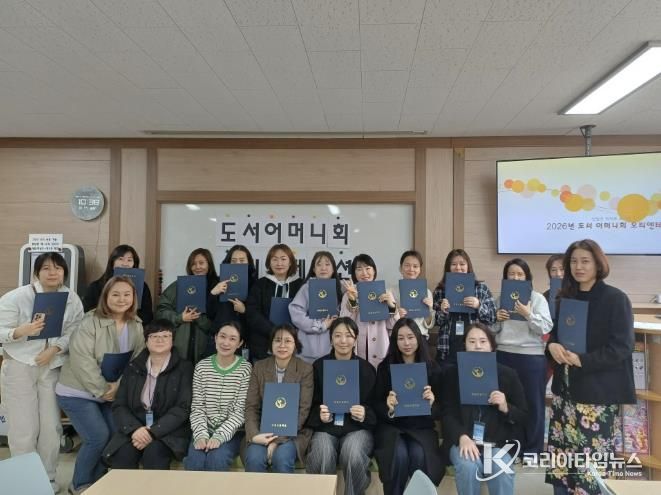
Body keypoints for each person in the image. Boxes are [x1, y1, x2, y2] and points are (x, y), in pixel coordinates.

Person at [545, 239, 635, 495]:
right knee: (562, 467)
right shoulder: (565, 296)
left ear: (598, 264)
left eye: (585, 261)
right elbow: (555, 335)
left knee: (589, 471)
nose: (578, 267)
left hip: (596, 397)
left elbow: (622, 347)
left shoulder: (615, 299)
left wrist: (583, 360)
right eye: (573, 261)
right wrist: (552, 346)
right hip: (565, 395)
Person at [0, 252, 84, 493]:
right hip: (20, 365)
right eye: (46, 268)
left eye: (58, 268)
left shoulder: (71, 298)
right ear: (36, 273)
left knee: (51, 427)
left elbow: (75, 330)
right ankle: (25, 483)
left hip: (51, 366)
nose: (52, 272)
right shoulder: (17, 297)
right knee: (23, 429)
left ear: (64, 272)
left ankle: (48, 478)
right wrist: (20, 331)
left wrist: (55, 349)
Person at [56, 275, 145, 494]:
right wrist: (103, 390)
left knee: (116, 434)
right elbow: (81, 360)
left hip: (111, 391)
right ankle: (79, 484)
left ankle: (97, 482)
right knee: (97, 436)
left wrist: (118, 387)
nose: (122, 299)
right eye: (116, 294)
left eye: (127, 294)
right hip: (78, 391)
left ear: (134, 298)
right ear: (106, 297)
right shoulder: (90, 322)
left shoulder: (136, 324)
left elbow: (137, 361)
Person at [441, 323, 528, 495]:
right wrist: (461, 436)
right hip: (464, 441)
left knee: (501, 469)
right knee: (468, 466)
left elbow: (524, 416)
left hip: (497, 443)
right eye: (472, 341)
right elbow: (447, 412)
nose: (478, 346)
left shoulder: (508, 375)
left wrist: (506, 407)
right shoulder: (452, 374)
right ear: (465, 345)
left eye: (483, 341)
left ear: (491, 346)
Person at [103, 319, 193, 470]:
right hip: (135, 428)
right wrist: (135, 430)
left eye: (165, 336)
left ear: (172, 341)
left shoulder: (185, 368)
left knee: (154, 454)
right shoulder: (133, 367)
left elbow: (183, 408)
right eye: (154, 336)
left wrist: (153, 432)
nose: (159, 340)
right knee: (123, 456)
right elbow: (119, 405)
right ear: (146, 341)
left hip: (168, 431)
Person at [373, 318, 445, 495]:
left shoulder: (432, 368)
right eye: (401, 338)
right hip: (392, 428)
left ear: (419, 338)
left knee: (419, 455)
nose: (406, 343)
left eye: (411, 337)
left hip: (421, 428)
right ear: (395, 341)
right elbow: (375, 404)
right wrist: (389, 407)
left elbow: (441, 409)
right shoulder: (385, 368)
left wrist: (431, 403)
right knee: (398, 455)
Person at [306, 317, 376, 495]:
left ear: (356, 339)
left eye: (348, 335)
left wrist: (365, 413)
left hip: (357, 428)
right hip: (326, 428)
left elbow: (376, 409)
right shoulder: (318, 367)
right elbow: (308, 405)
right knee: (321, 452)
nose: (343, 341)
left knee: (352, 452)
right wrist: (319, 415)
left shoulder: (366, 369)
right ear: (331, 339)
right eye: (337, 335)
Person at [493, 258, 552, 456]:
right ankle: (510, 448)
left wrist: (528, 314)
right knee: (506, 404)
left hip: (531, 357)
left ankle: (533, 450)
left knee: (534, 404)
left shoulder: (537, 299)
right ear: (505, 277)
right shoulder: (500, 299)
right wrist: (496, 319)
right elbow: (491, 331)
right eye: (511, 274)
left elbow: (545, 327)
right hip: (503, 355)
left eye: (520, 274)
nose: (516, 278)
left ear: (527, 277)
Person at [243, 324, 313, 473]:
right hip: (262, 430)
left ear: (295, 345)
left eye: (288, 341)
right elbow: (251, 407)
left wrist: (277, 440)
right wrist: (254, 435)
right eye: (277, 340)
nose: (282, 345)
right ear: (271, 344)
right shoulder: (259, 367)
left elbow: (303, 410)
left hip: (293, 434)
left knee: (282, 458)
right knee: (255, 458)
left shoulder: (305, 369)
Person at [184, 321, 252, 471]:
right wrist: (201, 435)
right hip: (203, 429)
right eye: (222, 336)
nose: (226, 342)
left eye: (232, 339)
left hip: (233, 433)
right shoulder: (202, 367)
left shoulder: (245, 369)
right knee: (195, 460)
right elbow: (197, 407)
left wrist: (219, 436)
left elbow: (240, 411)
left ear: (240, 343)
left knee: (216, 458)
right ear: (215, 338)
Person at [433, 249, 496, 370]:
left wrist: (478, 306)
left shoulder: (481, 288)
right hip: (447, 350)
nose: (458, 268)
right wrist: (443, 311)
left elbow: (493, 318)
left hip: (476, 350)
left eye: (462, 264)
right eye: (453, 264)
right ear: (448, 267)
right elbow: (436, 322)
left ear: (468, 266)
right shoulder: (440, 290)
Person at [155, 248, 219, 364]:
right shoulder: (178, 286)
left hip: (207, 350)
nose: (197, 267)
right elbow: (160, 312)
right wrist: (179, 318)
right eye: (193, 264)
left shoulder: (217, 287)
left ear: (209, 265)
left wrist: (199, 318)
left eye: (201, 263)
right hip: (179, 350)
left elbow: (220, 320)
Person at [245, 244, 303, 361]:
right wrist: (273, 330)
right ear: (269, 263)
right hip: (262, 344)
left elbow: (304, 312)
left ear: (290, 262)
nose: (279, 263)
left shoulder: (301, 285)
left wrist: (289, 333)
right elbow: (252, 313)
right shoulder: (260, 284)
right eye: (274, 259)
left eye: (283, 259)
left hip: (292, 344)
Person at [340, 254, 398, 368]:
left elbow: (394, 326)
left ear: (374, 271)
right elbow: (343, 324)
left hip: (380, 346)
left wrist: (391, 307)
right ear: (354, 273)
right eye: (359, 269)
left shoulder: (385, 292)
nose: (364, 273)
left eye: (368, 268)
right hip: (358, 346)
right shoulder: (349, 294)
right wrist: (352, 301)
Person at [289, 250, 343, 363]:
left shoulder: (340, 289)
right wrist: (320, 325)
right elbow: (296, 313)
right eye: (319, 264)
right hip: (307, 350)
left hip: (332, 350)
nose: (323, 268)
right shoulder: (306, 288)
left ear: (333, 269)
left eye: (327, 264)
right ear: (313, 269)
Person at [206, 245, 257, 357]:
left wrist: (244, 311)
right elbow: (209, 313)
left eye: (242, 261)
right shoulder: (219, 282)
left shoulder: (256, 284)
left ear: (249, 263)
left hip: (242, 341)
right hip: (219, 340)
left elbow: (258, 317)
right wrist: (213, 294)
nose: (238, 264)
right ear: (228, 262)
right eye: (234, 261)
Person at [83, 244, 154, 325]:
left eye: (129, 260)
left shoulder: (143, 287)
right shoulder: (95, 286)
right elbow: (88, 312)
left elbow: (147, 315)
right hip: (102, 327)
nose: (125, 264)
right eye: (121, 259)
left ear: (134, 264)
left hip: (132, 327)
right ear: (112, 263)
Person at [390, 250, 434, 341]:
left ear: (420, 269)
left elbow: (428, 324)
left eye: (415, 266)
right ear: (400, 268)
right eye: (407, 265)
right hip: (398, 337)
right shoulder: (390, 292)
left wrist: (428, 310)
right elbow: (386, 322)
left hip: (420, 336)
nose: (411, 269)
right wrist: (396, 314)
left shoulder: (426, 292)